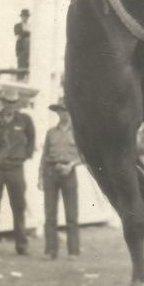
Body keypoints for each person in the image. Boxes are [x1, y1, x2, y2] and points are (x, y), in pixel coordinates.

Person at [0, 90, 35, 258]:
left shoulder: (25, 120)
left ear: (17, 104)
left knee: (19, 206)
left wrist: (23, 156)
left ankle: (21, 245)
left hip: (15, 169)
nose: (10, 105)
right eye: (7, 102)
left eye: (13, 102)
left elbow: (31, 140)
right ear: (2, 102)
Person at [38, 98, 81, 259]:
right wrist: (40, 176)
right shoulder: (51, 132)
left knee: (71, 214)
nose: (64, 114)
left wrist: (71, 165)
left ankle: (73, 251)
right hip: (50, 172)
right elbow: (44, 155)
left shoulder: (77, 133)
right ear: (57, 112)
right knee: (50, 214)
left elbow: (83, 156)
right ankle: (51, 250)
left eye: (67, 110)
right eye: (61, 110)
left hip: (68, 172)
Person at [14, 9, 31, 80]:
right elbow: (18, 33)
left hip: (29, 50)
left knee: (28, 68)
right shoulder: (17, 26)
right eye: (23, 16)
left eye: (26, 16)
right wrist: (27, 34)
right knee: (21, 68)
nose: (25, 18)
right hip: (21, 50)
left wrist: (25, 34)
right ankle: (19, 82)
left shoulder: (31, 26)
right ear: (21, 17)